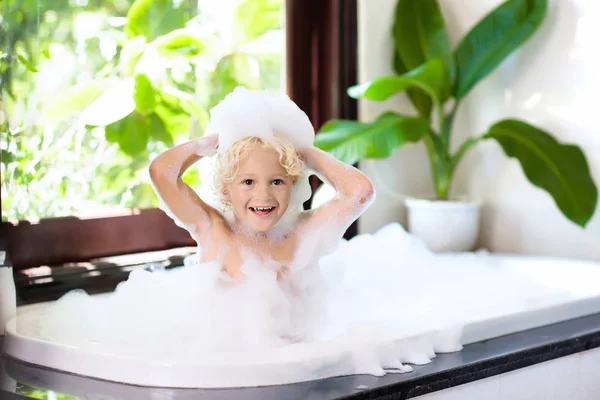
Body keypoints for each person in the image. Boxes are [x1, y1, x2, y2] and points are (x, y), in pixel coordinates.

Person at [149, 130, 374, 282]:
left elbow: (360, 192)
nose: (263, 195)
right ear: (226, 190)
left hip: (291, 352)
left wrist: (305, 153)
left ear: (292, 184)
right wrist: (214, 141)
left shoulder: (302, 232)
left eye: (277, 181)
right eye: (248, 182)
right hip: (226, 351)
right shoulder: (213, 229)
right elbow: (161, 172)